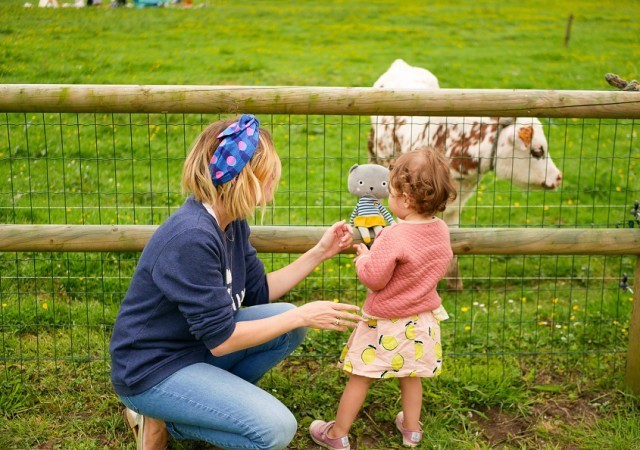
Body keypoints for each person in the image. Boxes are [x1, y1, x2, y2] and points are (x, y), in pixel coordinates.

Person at [109, 114, 362, 450]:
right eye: (270, 178)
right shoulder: (193, 238)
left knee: (285, 322)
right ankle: (169, 419)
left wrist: (319, 252)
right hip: (151, 371)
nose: (272, 190)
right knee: (275, 430)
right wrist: (302, 314)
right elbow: (222, 340)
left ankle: (198, 408)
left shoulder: (231, 221)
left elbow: (258, 293)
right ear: (247, 179)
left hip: (191, 348)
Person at [309, 147, 457, 449]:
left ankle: (337, 433)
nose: (387, 197)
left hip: (385, 322)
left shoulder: (392, 236)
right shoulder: (441, 230)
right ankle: (412, 430)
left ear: (405, 197)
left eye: (391, 190)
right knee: (411, 374)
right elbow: (438, 263)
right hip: (421, 322)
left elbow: (375, 279)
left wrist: (364, 258)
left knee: (361, 375)